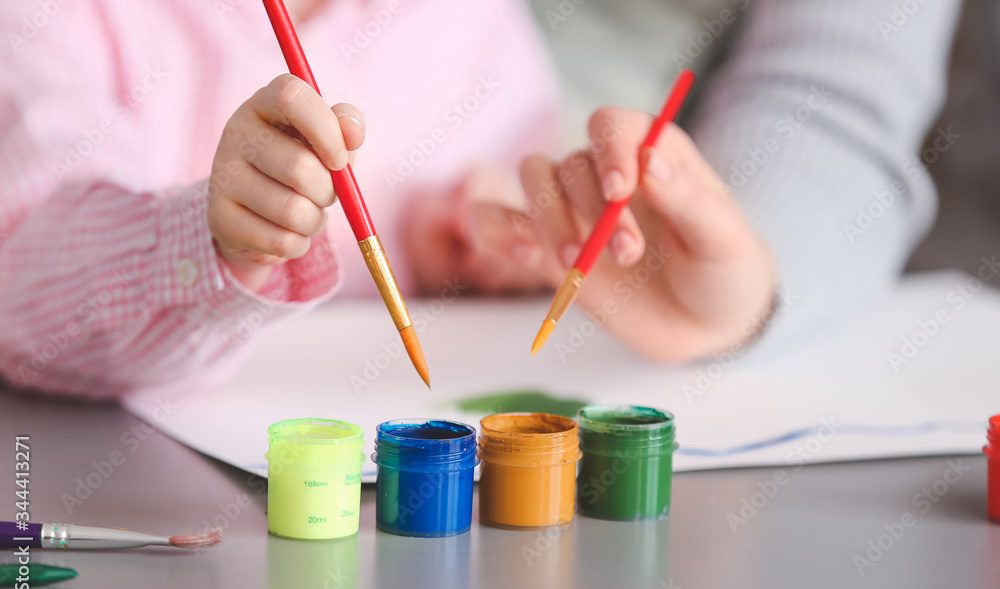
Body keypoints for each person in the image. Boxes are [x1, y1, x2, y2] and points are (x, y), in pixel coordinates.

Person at [0, 0, 962, 399]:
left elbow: (499, 197)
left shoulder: (466, 22)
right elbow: (21, 277)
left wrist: (482, 246)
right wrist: (207, 238)